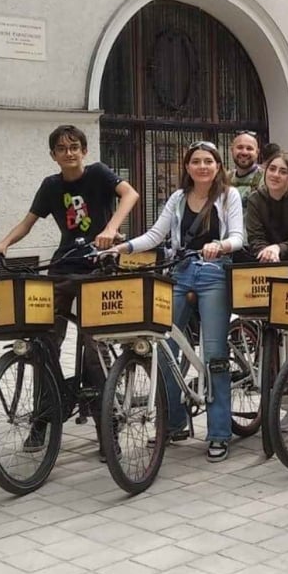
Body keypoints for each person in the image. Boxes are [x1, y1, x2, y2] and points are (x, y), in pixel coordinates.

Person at [0, 125, 139, 433]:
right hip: (64, 265)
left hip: (98, 267)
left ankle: (106, 420)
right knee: (43, 340)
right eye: (61, 149)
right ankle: (46, 414)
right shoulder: (51, 186)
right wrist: (4, 243)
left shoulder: (98, 174)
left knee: (93, 344)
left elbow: (130, 194)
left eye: (74, 147)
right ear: (53, 155)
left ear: (84, 151)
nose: (68, 153)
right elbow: (28, 222)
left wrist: (110, 229)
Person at [108, 141, 243, 462]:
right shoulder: (178, 198)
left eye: (208, 161)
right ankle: (174, 422)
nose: (202, 166)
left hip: (214, 274)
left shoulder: (229, 196)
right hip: (180, 272)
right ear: (187, 167)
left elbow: (239, 237)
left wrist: (220, 246)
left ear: (218, 166)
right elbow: (156, 235)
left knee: (215, 354)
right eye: (196, 161)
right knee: (163, 348)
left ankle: (219, 432)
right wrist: (123, 248)